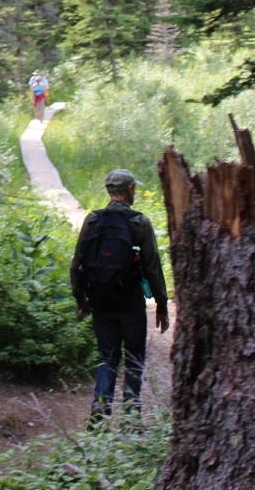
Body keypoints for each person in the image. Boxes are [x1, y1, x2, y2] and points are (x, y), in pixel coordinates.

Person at [70, 168, 169, 421]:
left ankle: (100, 407)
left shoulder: (92, 220)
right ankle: (131, 416)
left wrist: (81, 300)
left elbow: (77, 263)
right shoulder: (139, 222)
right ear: (130, 190)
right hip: (131, 303)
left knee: (107, 357)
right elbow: (152, 267)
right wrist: (161, 305)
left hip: (101, 302)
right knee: (134, 357)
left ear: (110, 191)